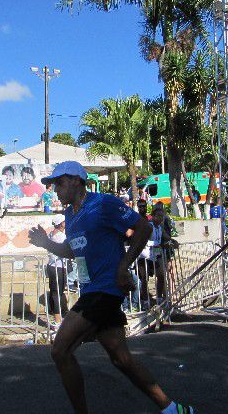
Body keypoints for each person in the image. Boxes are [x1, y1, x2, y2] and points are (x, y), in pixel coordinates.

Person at [28, 161, 194, 414]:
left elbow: (144, 227)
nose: (55, 190)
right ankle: (173, 409)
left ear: (76, 180)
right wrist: (45, 243)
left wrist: (123, 266)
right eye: (52, 185)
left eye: (59, 183)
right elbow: (72, 251)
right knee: (121, 359)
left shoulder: (103, 203)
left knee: (60, 350)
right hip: (92, 291)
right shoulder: (71, 216)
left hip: (104, 291)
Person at [46, 214, 68, 328]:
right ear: (61, 223)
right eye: (64, 222)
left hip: (52, 265)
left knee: (55, 291)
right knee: (57, 292)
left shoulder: (51, 234)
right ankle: (57, 318)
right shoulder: (59, 236)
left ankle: (57, 316)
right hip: (57, 266)